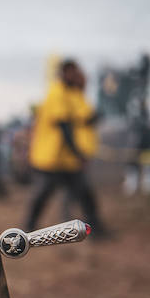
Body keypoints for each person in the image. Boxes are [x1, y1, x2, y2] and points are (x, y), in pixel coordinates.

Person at [24, 59, 107, 235]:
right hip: (52, 157)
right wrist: (79, 153)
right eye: (73, 72)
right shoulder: (57, 93)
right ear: (64, 73)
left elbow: (83, 119)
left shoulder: (73, 94)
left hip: (66, 159)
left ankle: (96, 229)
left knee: (84, 193)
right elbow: (64, 126)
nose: (76, 76)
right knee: (43, 193)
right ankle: (28, 228)